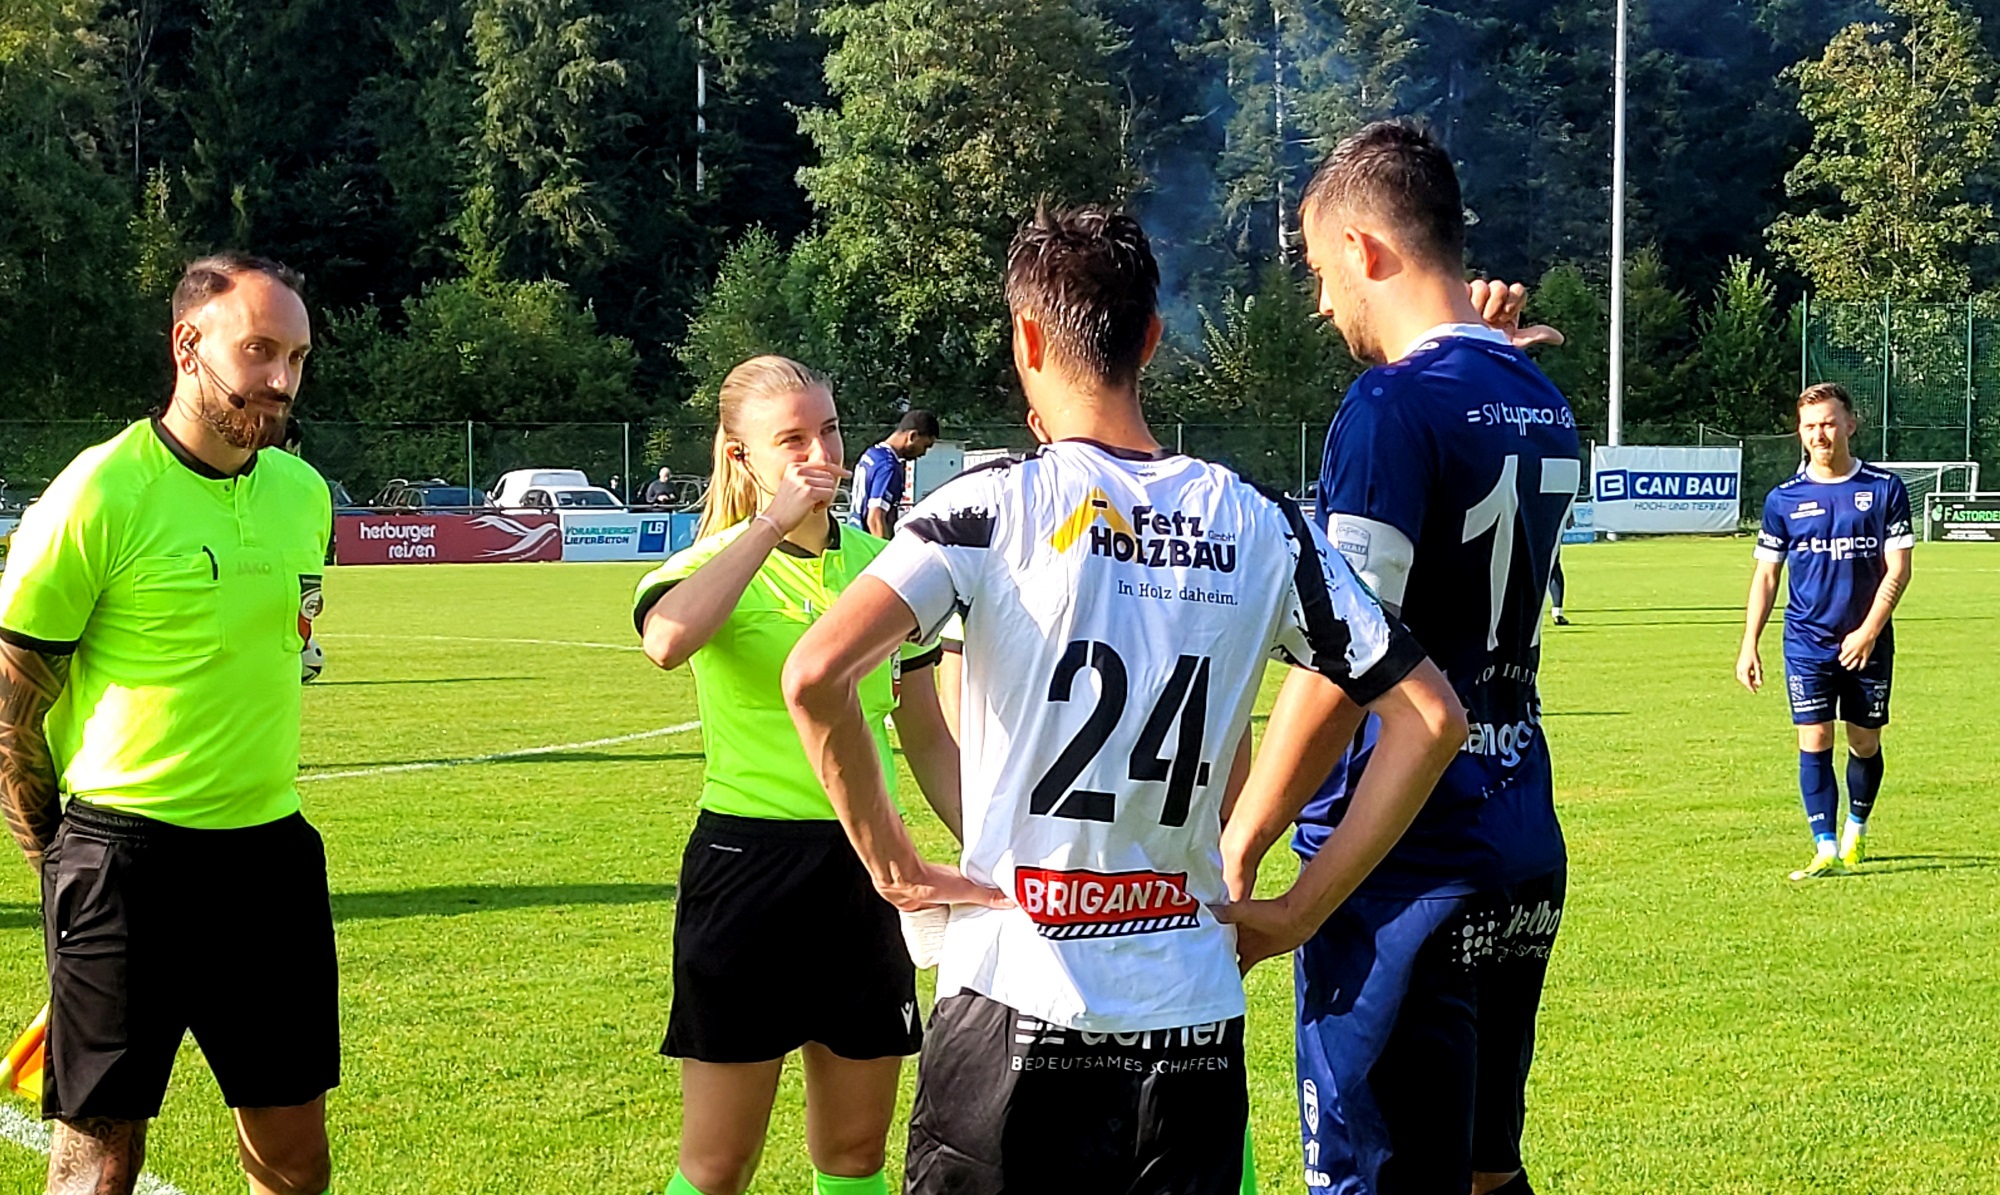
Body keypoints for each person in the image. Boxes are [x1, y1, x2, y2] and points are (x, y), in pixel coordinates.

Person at [782, 205, 1466, 1195]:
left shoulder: (985, 507)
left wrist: (890, 861)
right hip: (1186, 1015)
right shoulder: (1261, 523)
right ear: (1150, 338)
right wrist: (1298, 911)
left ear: (1025, 339)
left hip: (1013, 1001)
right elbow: (1431, 718)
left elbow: (815, 674)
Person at [1222, 120, 1580, 1195]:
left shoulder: (1387, 406)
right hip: (1518, 838)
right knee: (1484, 1169)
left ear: (1364, 247)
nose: (1322, 303)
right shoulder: (1542, 397)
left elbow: (1348, 663)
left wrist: (1242, 841)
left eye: (1318, 269)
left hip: (1399, 863)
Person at [0, 253, 335, 1195]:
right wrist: (65, 875)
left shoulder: (303, 494)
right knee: (99, 1163)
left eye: (297, 357)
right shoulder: (99, 493)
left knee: (295, 1160)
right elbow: (10, 713)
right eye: (259, 350)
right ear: (188, 345)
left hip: (269, 861)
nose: (281, 379)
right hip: (124, 860)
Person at [632, 355, 961, 1195]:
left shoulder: (889, 567)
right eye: (792, 439)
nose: (822, 453)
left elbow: (925, 734)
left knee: (855, 1151)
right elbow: (665, 641)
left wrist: (992, 846)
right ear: (740, 455)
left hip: (866, 869)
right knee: (718, 1163)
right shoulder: (713, 562)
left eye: (831, 429)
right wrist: (769, 525)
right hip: (748, 871)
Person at [1737, 382, 1913, 879]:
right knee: (1814, 737)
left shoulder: (1884, 489)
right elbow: (1767, 576)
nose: (1820, 434)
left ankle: (1856, 828)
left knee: (1864, 742)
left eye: (1829, 423)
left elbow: (1899, 570)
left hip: (1868, 642)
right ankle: (1825, 846)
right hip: (1806, 641)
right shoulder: (1783, 499)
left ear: (1850, 425)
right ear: (1800, 432)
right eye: (1811, 426)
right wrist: (1749, 644)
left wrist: (1869, 631)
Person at [848, 410, 939, 538]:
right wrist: (885, 549)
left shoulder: (872, 454)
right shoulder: (888, 466)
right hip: (867, 542)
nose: (923, 453)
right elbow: (875, 518)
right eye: (925, 446)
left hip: (853, 534)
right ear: (912, 436)